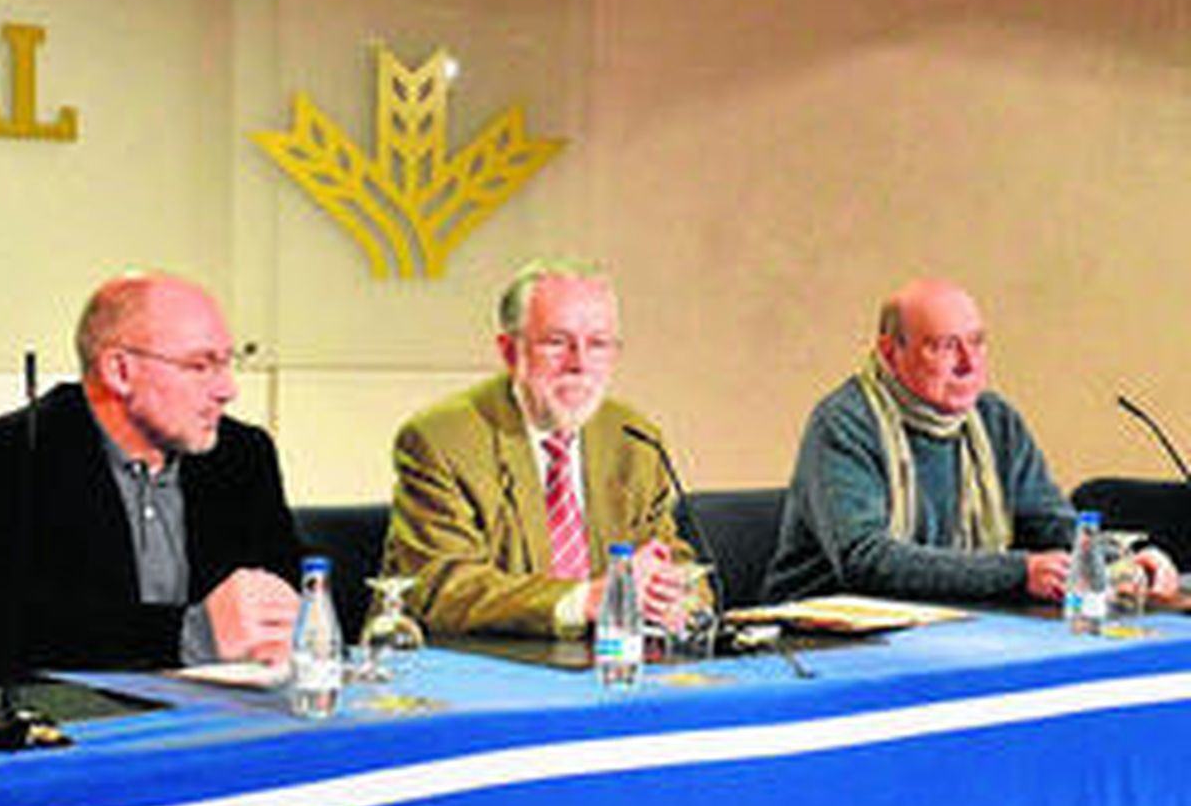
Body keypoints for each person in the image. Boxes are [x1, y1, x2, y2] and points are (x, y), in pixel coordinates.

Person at [0, 271, 301, 678]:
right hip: (83, 725)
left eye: (228, 363)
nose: (227, 389)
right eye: (200, 365)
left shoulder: (243, 454)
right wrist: (188, 637)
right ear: (119, 371)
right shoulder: (13, 453)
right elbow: (5, 632)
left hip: (227, 718)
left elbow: (293, 588)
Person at [764, 277, 1180, 603]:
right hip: (823, 643)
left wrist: (1122, 563)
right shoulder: (845, 422)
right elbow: (865, 560)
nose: (968, 364)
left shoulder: (993, 419)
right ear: (891, 354)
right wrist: (1018, 573)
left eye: (977, 342)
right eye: (945, 347)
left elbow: (1049, 525)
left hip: (958, 624)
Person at [383, 258, 701, 640]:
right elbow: (443, 589)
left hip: (605, 669)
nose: (579, 363)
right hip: (477, 674)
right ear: (509, 352)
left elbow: (671, 557)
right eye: (556, 342)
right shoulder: (442, 440)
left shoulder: (633, 440)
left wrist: (675, 594)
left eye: (598, 344)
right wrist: (584, 601)